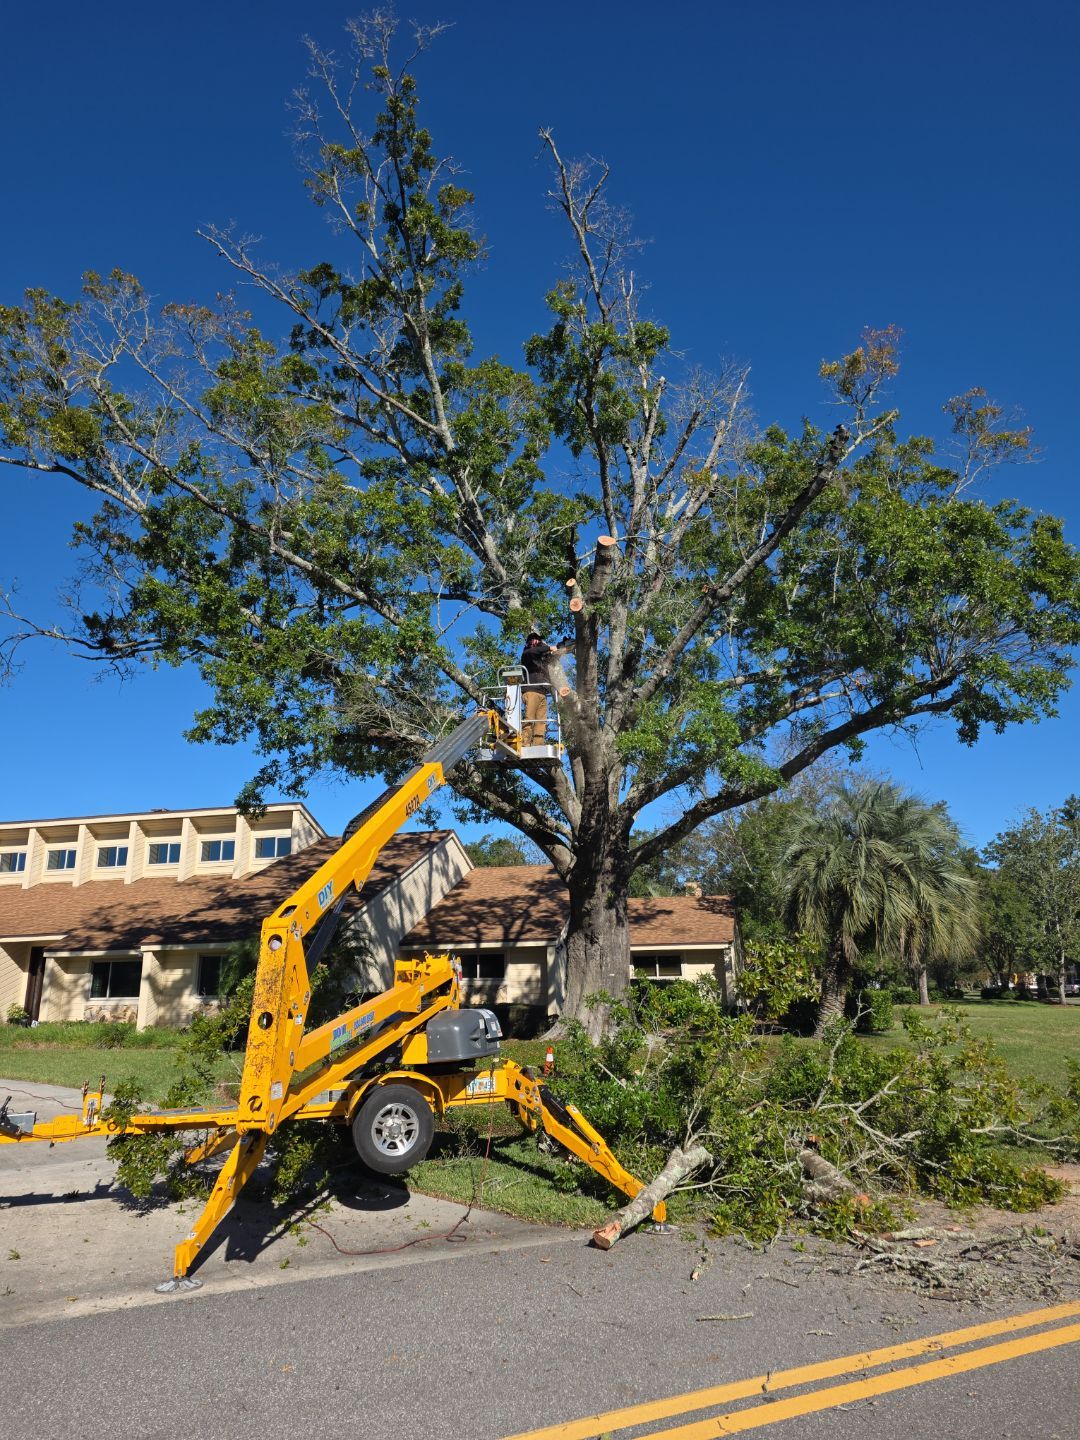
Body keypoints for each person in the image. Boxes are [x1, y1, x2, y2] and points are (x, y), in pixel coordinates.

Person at [519, 631, 571, 745]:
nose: (539, 642)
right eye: (536, 639)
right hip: (531, 691)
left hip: (542, 693)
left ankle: (538, 744)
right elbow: (538, 650)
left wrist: (562, 646)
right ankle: (524, 743)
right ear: (530, 642)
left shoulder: (540, 658)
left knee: (541, 721)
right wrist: (551, 647)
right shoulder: (527, 653)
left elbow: (552, 655)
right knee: (529, 718)